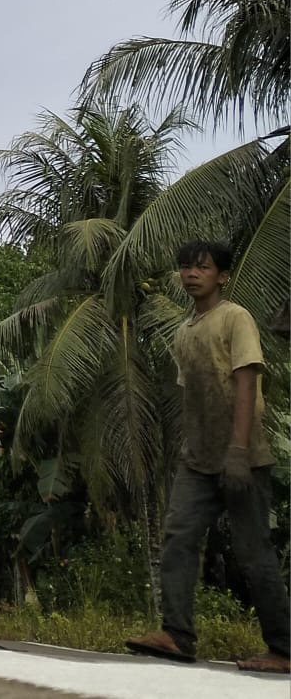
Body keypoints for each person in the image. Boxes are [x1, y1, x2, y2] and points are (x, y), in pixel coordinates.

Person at [124, 242, 289, 674]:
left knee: (255, 554)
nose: (191, 273)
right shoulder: (185, 331)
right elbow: (191, 398)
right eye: (185, 267)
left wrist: (237, 450)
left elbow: (246, 381)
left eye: (203, 266)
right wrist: (189, 448)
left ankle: (284, 649)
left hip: (242, 458)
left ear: (223, 276)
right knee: (178, 536)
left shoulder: (235, 318)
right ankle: (176, 634)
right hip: (197, 461)